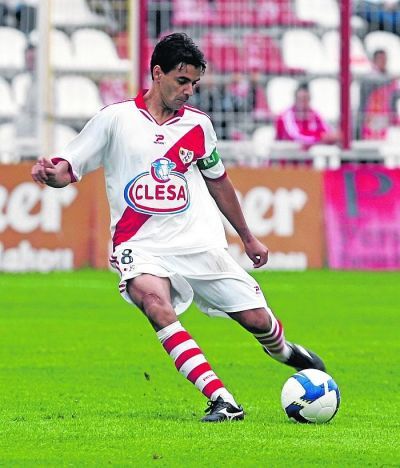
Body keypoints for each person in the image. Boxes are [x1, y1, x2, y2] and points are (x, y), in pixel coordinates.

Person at [31, 33, 325, 423]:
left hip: (198, 243)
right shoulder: (115, 119)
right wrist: (53, 175)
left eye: (194, 84)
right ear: (158, 73)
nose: (189, 91)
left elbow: (218, 181)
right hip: (140, 245)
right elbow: (69, 165)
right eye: (182, 81)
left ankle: (285, 352)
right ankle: (222, 399)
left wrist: (248, 237)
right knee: (155, 304)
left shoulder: (199, 127)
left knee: (259, 324)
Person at [275, 82, 341, 149]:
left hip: (306, 157)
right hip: (286, 157)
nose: (303, 102)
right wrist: (320, 137)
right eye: (301, 99)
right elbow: (295, 136)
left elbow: (327, 131)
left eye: (306, 99)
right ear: (295, 99)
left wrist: (330, 136)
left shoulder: (314, 114)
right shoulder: (285, 116)